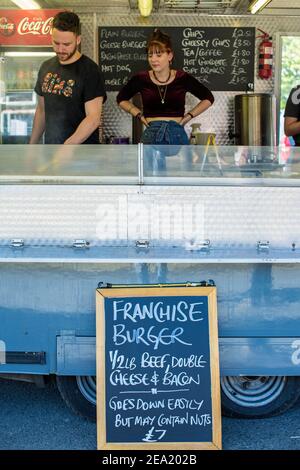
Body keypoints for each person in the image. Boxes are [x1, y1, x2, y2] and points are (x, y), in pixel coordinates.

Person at [116, 29, 214, 171]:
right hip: (152, 132)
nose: (153, 59)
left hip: (176, 132)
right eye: (150, 55)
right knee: (152, 181)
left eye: (158, 54)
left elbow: (208, 98)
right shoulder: (141, 78)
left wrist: (187, 117)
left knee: (182, 180)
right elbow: (121, 98)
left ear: (170, 55)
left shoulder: (182, 78)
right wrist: (139, 114)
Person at [30, 11, 106, 145]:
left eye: (66, 44)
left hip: (83, 156)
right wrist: (32, 145)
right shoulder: (46, 67)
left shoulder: (90, 70)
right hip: (51, 151)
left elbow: (93, 118)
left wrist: (67, 147)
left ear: (78, 40)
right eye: (56, 43)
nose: (60, 49)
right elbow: (42, 111)